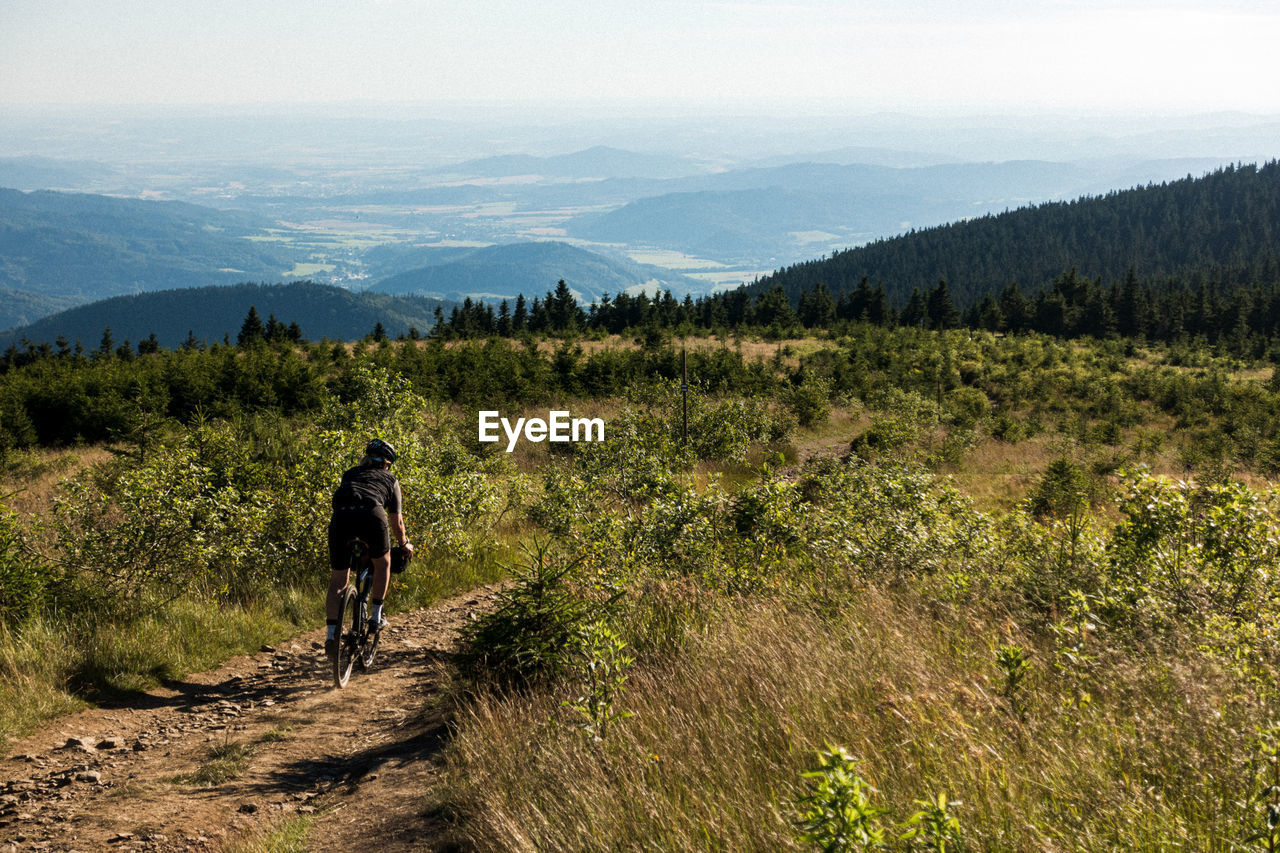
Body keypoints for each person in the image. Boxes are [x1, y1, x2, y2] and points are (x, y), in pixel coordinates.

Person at [325, 438, 413, 658]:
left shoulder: (350, 473)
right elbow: (397, 522)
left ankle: (330, 635)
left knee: (338, 579)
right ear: (387, 464)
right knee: (383, 563)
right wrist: (403, 544)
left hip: (341, 518)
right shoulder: (390, 480)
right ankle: (376, 615)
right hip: (371, 515)